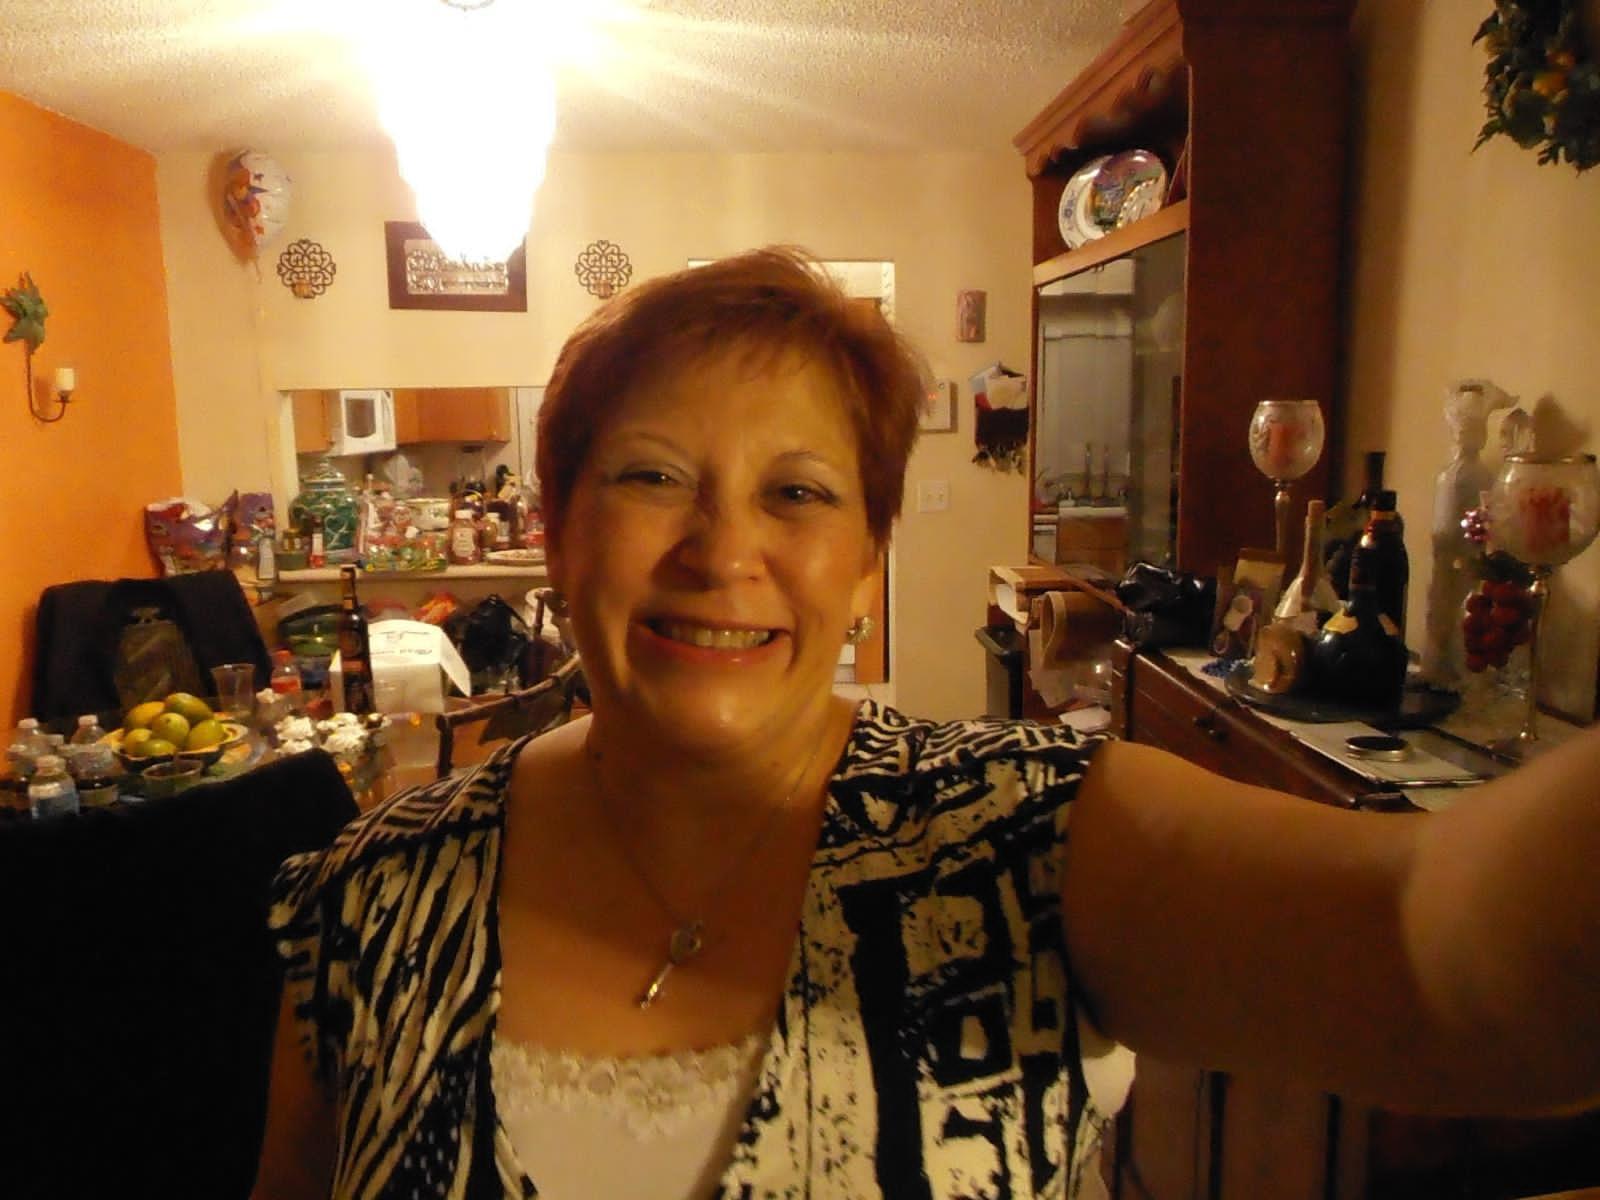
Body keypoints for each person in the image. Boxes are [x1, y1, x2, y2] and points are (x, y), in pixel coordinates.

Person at [253, 247, 1600, 1200]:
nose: (722, 551)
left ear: (867, 561)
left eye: (798, 494)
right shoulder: (372, 897)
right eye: (653, 476)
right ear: (559, 530)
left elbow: (1447, 964)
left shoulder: (1033, 834)